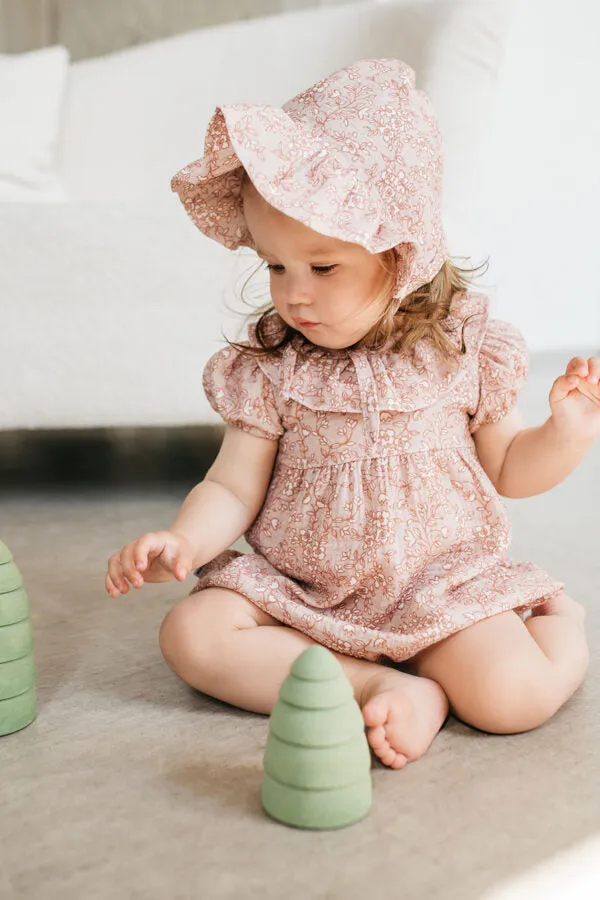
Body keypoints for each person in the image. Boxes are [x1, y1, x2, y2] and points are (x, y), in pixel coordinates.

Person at [106, 59, 598, 769]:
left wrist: (569, 433)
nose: (294, 294)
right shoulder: (273, 371)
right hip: (306, 597)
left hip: (439, 592)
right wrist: (184, 541)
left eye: (323, 267)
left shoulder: (460, 349)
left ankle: (563, 627)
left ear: (401, 255)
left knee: (511, 698)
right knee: (193, 634)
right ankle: (376, 685)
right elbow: (231, 488)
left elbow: (509, 467)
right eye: (276, 267)